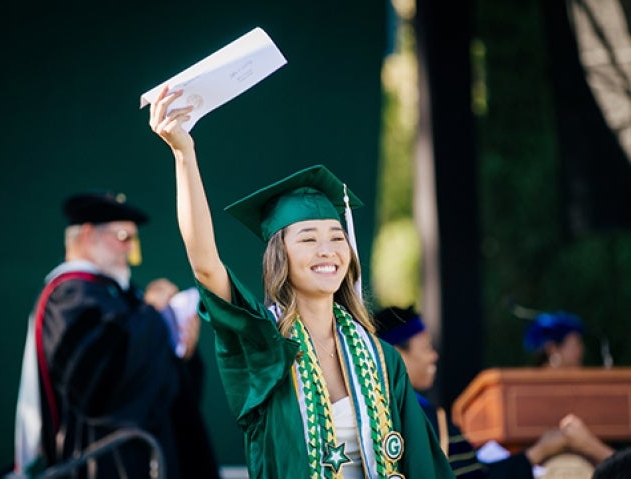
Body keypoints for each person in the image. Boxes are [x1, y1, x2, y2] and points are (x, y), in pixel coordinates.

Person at [148, 86, 455, 478]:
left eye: (336, 236)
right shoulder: (264, 348)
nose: (327, 250)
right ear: (281, 257)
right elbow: (207, 267)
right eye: (308, 239)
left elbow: (423, 467)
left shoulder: (382, 360)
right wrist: (182, 153)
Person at [13, 191, 219, 479]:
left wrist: (183, 352)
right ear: (87, 234)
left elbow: (154, 378)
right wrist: (151, 312)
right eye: (124, 237)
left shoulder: (118, 293)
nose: (131, 250)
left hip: (146, 452)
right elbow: (95, 384)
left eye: (134, 241)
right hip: (101, 457)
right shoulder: (70, 295)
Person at [375, 305, 615, 478]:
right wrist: (537, 452)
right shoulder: (420, 417)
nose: (434, 356)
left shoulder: (384, 407)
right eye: (427, 347)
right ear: (396, 354)